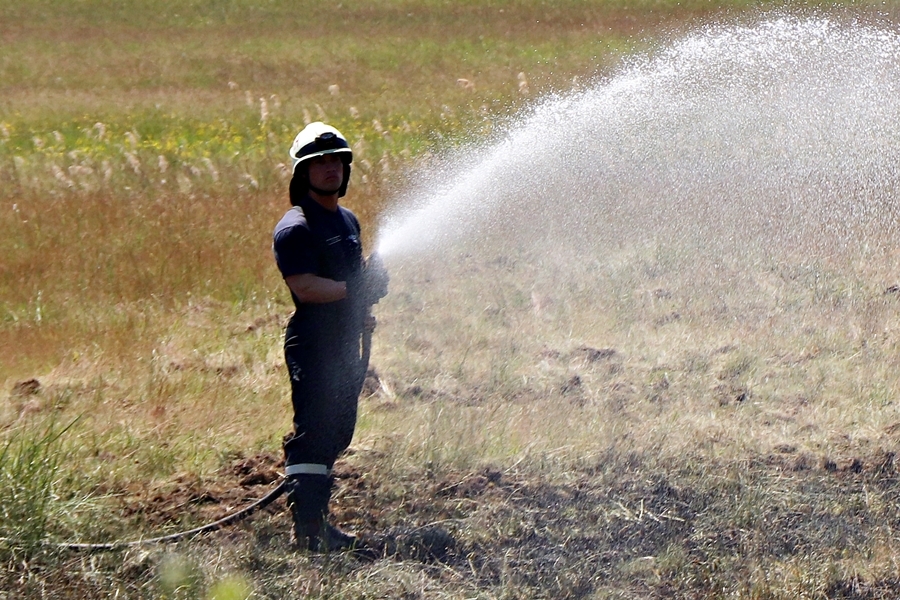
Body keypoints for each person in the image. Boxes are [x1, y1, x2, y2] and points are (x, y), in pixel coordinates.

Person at [272, 122, 388, 551]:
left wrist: (362, 304)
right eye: (319, 162)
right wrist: (353, 292)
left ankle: (316, 521)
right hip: (314, 341)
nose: (329, 168)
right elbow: (304, 286)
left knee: (338, 431)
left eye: (336, 160)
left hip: (343, 340)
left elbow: (350, 281)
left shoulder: (348, 220)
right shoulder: (295, 227)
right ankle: (309, 531)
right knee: (315, 431)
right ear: (303, 172)